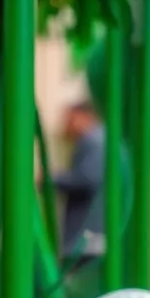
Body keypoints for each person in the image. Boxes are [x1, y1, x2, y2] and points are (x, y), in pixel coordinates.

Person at [54, 100, 107, 264]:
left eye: (70, 119)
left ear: (85, 117)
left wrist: (51, 178)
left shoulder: (93, 141)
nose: (66, 125)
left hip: (86, 235)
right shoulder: (102, 140)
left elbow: (87, 179)